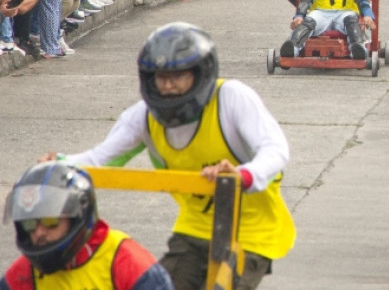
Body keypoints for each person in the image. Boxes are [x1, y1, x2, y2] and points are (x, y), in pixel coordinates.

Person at [45, 22, 296, 290]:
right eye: (160, 76)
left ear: (200, 73)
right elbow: (99, 160)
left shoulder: (232, 98)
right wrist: (58, 164)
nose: (168, 85)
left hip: (254, 233)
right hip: (193, 229)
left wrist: (244, 175)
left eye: (178, 75)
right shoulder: (142, 117)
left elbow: (275, 149)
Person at [1, 161, 173, 290]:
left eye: (50, 221)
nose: (39, 233)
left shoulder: (126, 263)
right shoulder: (23, 274)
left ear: (77, 217)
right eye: (29, 224)